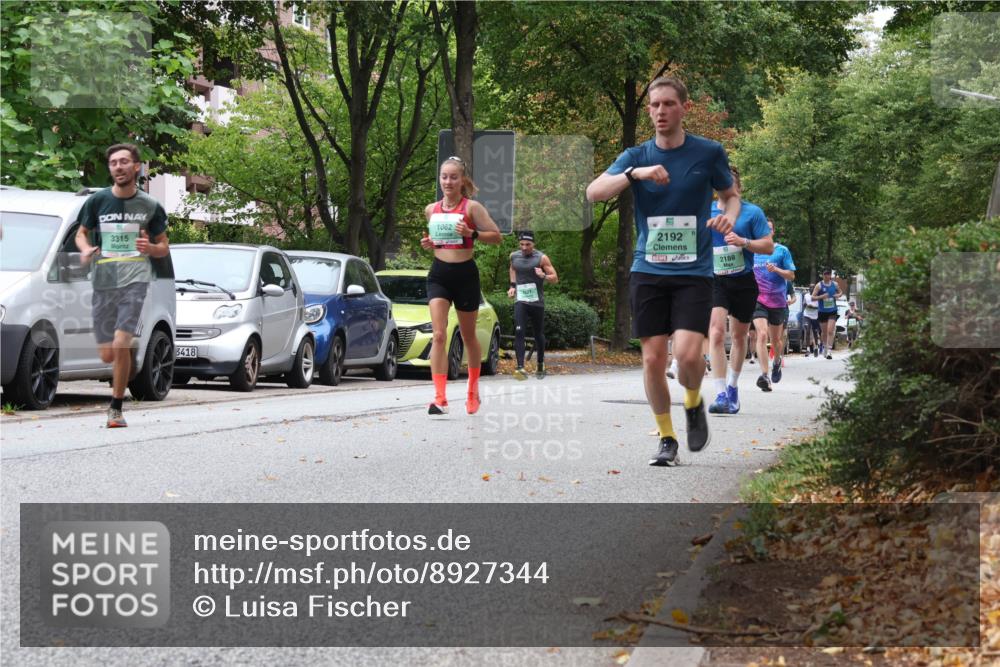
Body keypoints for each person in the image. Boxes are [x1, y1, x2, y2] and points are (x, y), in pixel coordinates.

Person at [587, 76, 740, 467]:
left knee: (688, 356)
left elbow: (730, 195)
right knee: (653, 359)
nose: (659, 112)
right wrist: (634, 175)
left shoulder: (708, 152)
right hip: (648, 269)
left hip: (694, 271)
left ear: (684, 107)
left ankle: (692, 402)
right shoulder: (636, 156)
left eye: (668, 104)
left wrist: (728, 218)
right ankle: (668, 438)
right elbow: (594, 192)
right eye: (654, 106)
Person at [75, 143, 169, 428]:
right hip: (104, 282)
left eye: (124, 162)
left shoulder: (150, 206)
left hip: (135, 280)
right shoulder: (97, 201)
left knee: (119, 342)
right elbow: (81, 234)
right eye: (114, 162)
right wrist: (85, 249)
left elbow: (163, 246)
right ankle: (127, 350)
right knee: (108, 354)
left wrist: (149, 248)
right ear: (110, 168)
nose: (118, 166)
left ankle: (115, 408)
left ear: (136, 167)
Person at [421, 156, 502, 415]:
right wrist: (430, 245)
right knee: (439, 335)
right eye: (444, 176)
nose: (448, 181)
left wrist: (472, 234)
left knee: (468, 336)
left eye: (453, 177)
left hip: (465, 275)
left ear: (462, 180)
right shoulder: (431, 209)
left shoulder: (472, 208)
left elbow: (497, 237)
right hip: (439, 275)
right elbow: (440, 241)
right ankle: (440, 398)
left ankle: (472, 390)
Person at [706, 166, 774, 416]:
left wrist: (744, 242)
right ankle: (720, 392)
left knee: (738, 336)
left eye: (730, 183)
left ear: (739, 187)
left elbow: (768, 246)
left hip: (744, 280)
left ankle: (733, 388)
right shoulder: (707, 210)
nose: (726, 188)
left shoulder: (752, 213)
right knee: (715, 332)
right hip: (717, 279)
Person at [751, 219, 796, 392]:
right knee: (762, 335)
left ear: (773, 231)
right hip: (759, 300)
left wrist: (776, 270)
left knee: (776, 341)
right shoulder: (753, 251)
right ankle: (764, 375)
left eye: (768, 229)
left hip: (778, 302)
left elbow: (791, 275)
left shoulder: (781, 251)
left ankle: (777, 361)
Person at [507, 230, 558, 380]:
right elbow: (512, 269)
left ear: (533, 244)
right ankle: (520, 368)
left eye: (527, 244)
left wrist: (544, 276)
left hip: (537, 303)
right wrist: (512, 286)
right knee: (519, 331)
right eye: (521, 244)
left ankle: (541, 363)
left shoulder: (541, 258)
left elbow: (555, 278)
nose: (524, 247)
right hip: (521, 300)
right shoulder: (514, 256)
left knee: (538, 334)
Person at [812, 268, 843, 359]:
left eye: (828, 274)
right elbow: (813, 297)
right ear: (823, 275)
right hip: (822, 311)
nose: (827, 276)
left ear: (830, 275)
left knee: (830, 331)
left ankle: (829, 351)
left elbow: (840, 292)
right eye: (825, 274)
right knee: (824, 332)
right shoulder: (819, 285)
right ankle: (825, 346)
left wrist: (838, 295)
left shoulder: (835, 284)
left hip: (832, 310)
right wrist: (822, 296)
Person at [802, 287, 821, 356]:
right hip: (807, 315)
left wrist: (813, 307)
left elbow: (820, 307)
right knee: (807, 331)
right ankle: (807, 349)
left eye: (813, 288)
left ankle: (816, 347)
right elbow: (803, 304)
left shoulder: (818, 297)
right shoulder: (806, 296)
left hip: (815, 317)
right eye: (810, 288)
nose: (811, 290)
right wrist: (806, 305)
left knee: (815, 332)